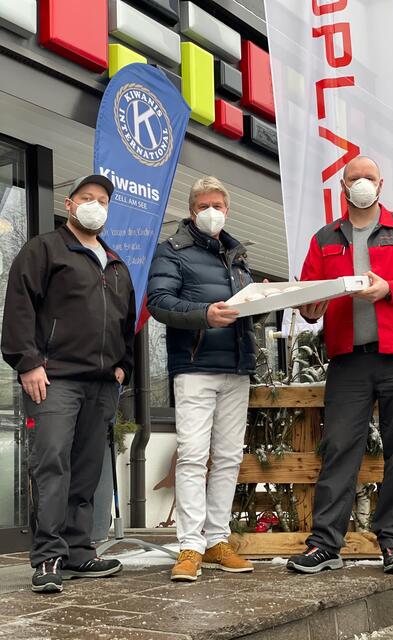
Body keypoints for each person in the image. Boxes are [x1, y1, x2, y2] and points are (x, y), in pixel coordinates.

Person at [287, 156, 393, 575]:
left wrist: (390, 289)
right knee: (338, 449)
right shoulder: (325, 238)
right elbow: (309, 298)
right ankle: (325, 544)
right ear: (343, 186)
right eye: (353, 178)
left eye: (368, 178)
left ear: (380, 184)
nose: (361, 184)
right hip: (349, 361)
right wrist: (308, 307)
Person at [1, 174, 136, 593]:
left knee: (86, 470)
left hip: (101, 385)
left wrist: (123, 366)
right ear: (70, 203)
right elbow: (20, 305)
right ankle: (47, 558)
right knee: (51, 466)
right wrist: (28, 363)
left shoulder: (115, 262)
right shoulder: (43, 249)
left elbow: (126, 322)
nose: (95, 204)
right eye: (87, 197)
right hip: (53, 378)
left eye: (102, 200)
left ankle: (79, 551)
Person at [147, 176, 256, 582]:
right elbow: (159, 302)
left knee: (227, 458)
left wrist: (262, 302)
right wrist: (204, 314)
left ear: (227, 210)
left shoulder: (237, 255)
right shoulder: (172, 251)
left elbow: (245, 307)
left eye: (219, 205)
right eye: (205, 205)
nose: (213, 212)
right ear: (193, 210)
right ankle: (189, 546)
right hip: (194, 367)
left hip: (237, 368)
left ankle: (216, 541)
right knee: (193, 457)